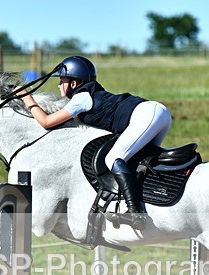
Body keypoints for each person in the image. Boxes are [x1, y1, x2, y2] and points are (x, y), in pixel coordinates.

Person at [20, 56, 172, 230]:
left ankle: (135, 212)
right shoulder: (89, 95)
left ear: (74, 83)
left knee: (113, 158)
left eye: (62, 81)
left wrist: (26, 98)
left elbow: (46, 122)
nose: (58, 85)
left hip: (147, 115)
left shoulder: (81, 98)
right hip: (158, 113)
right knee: (139, 161)